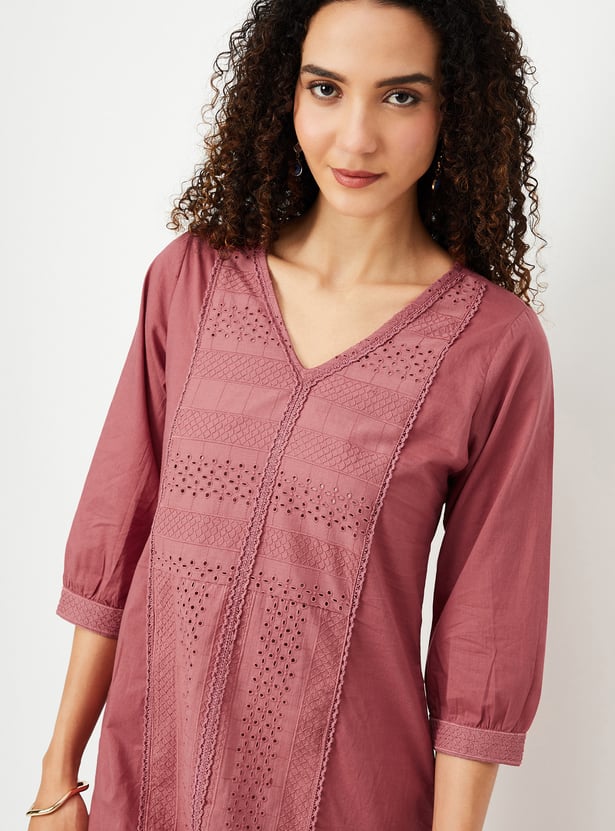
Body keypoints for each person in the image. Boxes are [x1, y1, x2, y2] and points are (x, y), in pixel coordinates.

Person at [27, 1, 554, 829]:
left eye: (401, 96)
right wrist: (58, 776)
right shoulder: (191, 282)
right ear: (286, 91)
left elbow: (485, 637)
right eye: (326, 88)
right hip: (150, 787)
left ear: (456, 107)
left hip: (349, 800)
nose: (355, 138)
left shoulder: (491, 346)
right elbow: (114, 534)